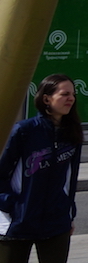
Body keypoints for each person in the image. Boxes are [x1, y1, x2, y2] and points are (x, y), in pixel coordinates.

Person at [0, 75, 82, 263]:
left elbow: (70, 179)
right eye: (64, 94)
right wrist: (13, 206)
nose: (71, 98)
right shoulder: (24, 131)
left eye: (73, 94)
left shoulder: (72, 134)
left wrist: (68, 213)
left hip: (56, 223)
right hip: (17, 223)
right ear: (46, 99)